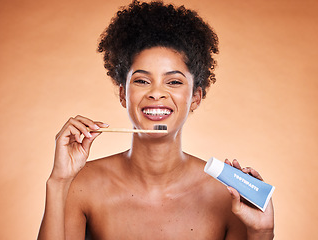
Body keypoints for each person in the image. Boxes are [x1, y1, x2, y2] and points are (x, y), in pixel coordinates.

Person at [38, 1, 274, 239]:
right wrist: (59, 182)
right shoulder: (81, 185)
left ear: (195, 97)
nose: (156, 93)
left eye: (173, 82)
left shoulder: (228, 196)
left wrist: (262, 232)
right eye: (142, 80)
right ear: (123, 94)